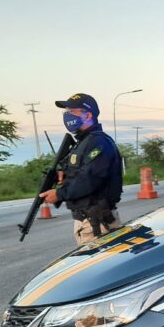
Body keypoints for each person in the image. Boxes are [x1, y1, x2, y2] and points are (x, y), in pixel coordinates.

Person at [40, 93, 123, 245]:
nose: (67, 115)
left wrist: (59, 194)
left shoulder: (98, 142)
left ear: (88, 115)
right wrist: (64, 175)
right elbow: (82, 172)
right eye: (66, 111)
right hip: (90, 221)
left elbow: (90, 178)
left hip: (97, 223)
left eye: (72, 111)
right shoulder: (84, 142)